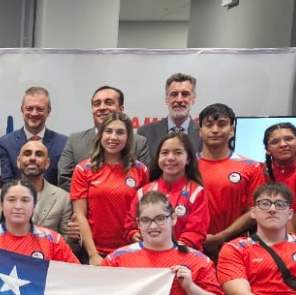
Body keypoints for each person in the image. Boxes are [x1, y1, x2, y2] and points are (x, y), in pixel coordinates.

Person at [70, 112, 149, 265]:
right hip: (95, 253)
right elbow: (80, 215)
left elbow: (144, 212)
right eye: (108, 131)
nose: (113, 137)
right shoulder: (83, 169)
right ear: (100, 135)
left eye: (120, 132)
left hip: (130, 251)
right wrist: (93, 254)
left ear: (128, 138)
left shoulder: (141, 170)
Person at [197, 103, 265, 258]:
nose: (215, 130)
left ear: (232, 130)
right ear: (200, 131)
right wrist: (198, 238)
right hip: (193, 248)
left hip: (235, 250)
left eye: (221, 124)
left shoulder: (251, 167)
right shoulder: (186, 166)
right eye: (209, 125)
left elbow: (254, 211)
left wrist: (221, 237)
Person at [126, 131, 210, 251]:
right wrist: (133, 234)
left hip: (183, 258)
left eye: (178, 152)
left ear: (189, 159)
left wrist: (174, 251)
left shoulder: (197, 193)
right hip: (147, 257)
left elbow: (195, 232)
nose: (170, 158)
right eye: (165, 153)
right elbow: (131, 224)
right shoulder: (144, 191)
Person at [57, 85, 150, 191]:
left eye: (109, 103)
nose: (102, 108)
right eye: (97, 104)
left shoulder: (139, 142)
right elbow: (64, 178)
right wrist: (93, 199)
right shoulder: (75, 141)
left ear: (121, 109)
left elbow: (144, 183)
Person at [0, 140, 73, 242]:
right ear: (18, 161)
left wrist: (74, 238)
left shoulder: (63, 199)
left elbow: (69, 246)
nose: (32, 158)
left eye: (39, 154)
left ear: (47, 163)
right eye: (27, 154)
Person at [0, 86, 68, 186]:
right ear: (22, 110)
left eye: (39, 109)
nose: (34, 113)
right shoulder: (5, 144)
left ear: (48, 111)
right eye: (29, 108)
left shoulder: (63, 144)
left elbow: (64, 182)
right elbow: (6, 183)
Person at [137, 73, 202, 155]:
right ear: (166, 99)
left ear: (193, 98)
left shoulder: (204, 134)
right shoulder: (145, 133)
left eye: (185, 94)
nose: (179, 100)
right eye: (174, 94)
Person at [261, 122, 296, 233]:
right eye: (275, 142)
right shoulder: (259, 172)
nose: (283, 144)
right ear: (267, 149)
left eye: (289, 139)